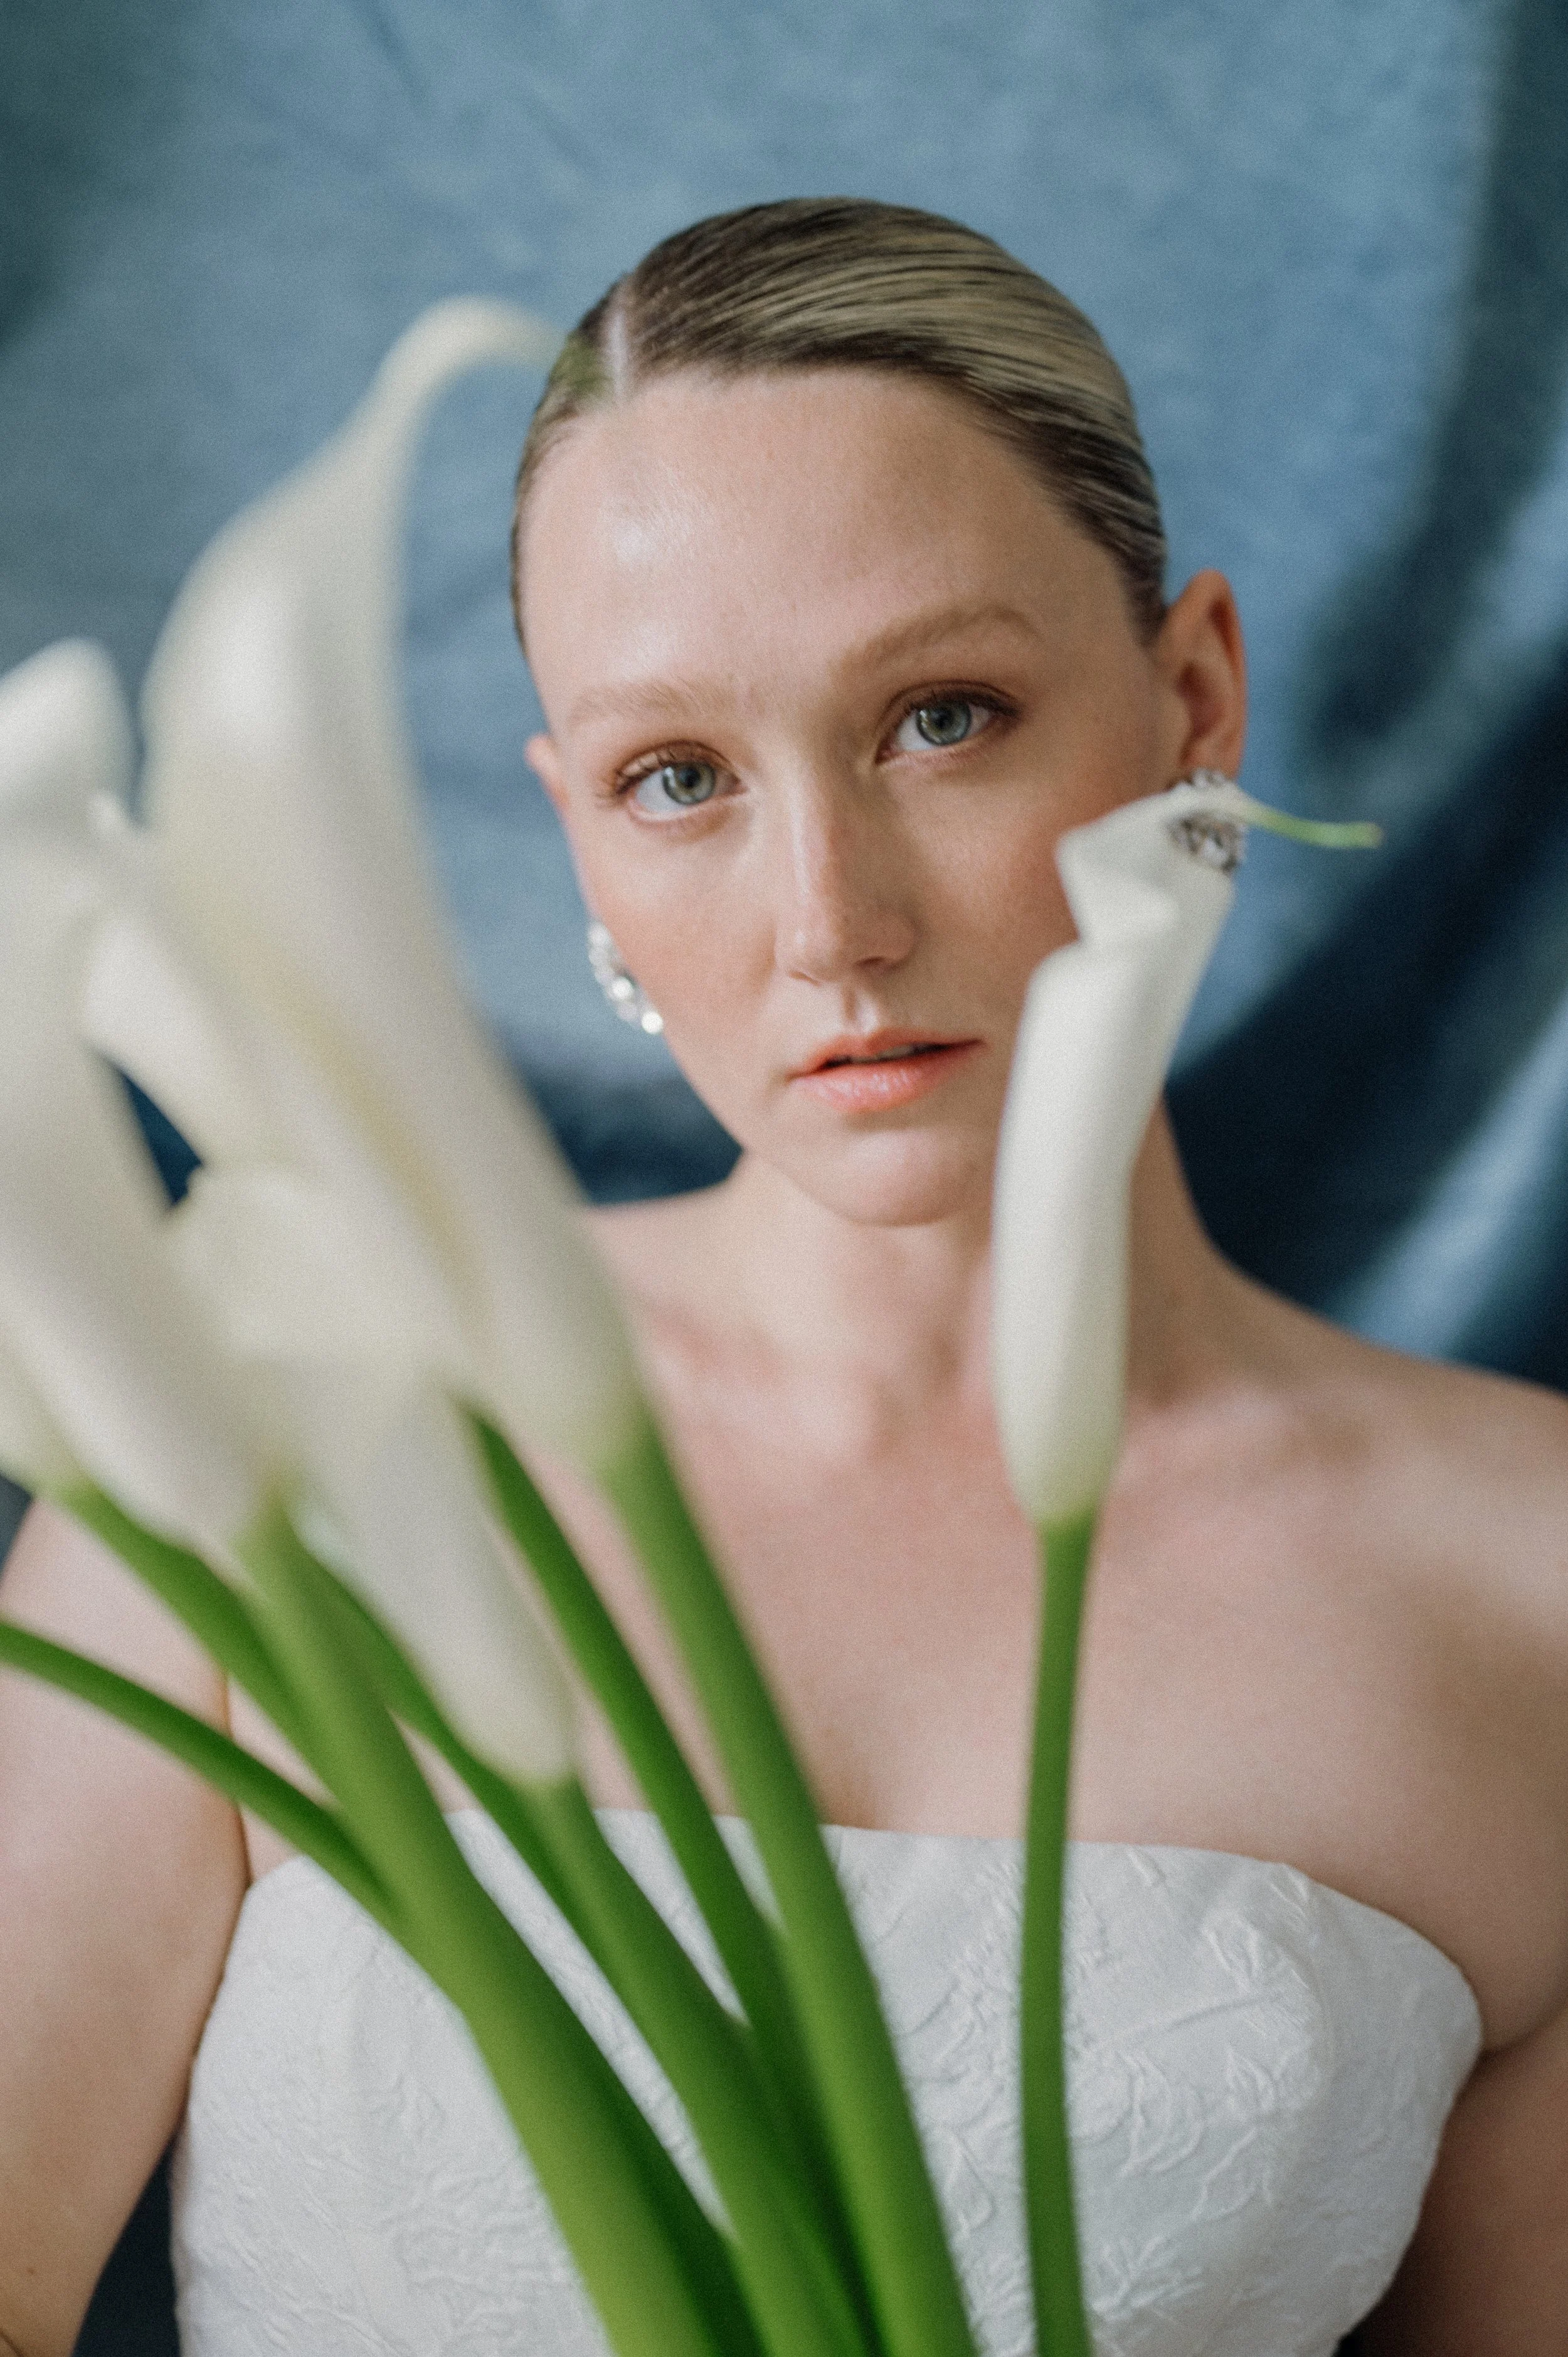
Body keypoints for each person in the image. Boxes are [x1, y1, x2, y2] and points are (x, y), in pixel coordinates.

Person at [3, 197, 1566, 2357]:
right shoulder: (261, 1419)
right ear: (576, 834)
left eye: (940, 717)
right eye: (678, 778)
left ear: (1191, 696)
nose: (828, 920)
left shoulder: (1530, 1585)